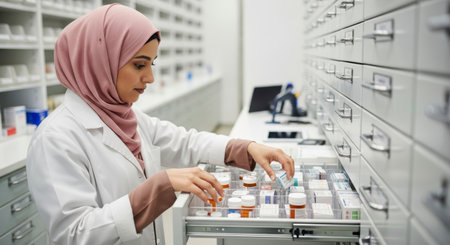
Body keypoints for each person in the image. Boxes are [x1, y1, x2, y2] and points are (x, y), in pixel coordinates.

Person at [26, 4, 294, 245]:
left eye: (151, 64)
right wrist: (157, 188)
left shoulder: (127, 118)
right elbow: (73, 234)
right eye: (139, 65)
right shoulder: (56, 138)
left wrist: (247, 148)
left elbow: (186, 142)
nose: (150, 78)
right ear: (100, 60)